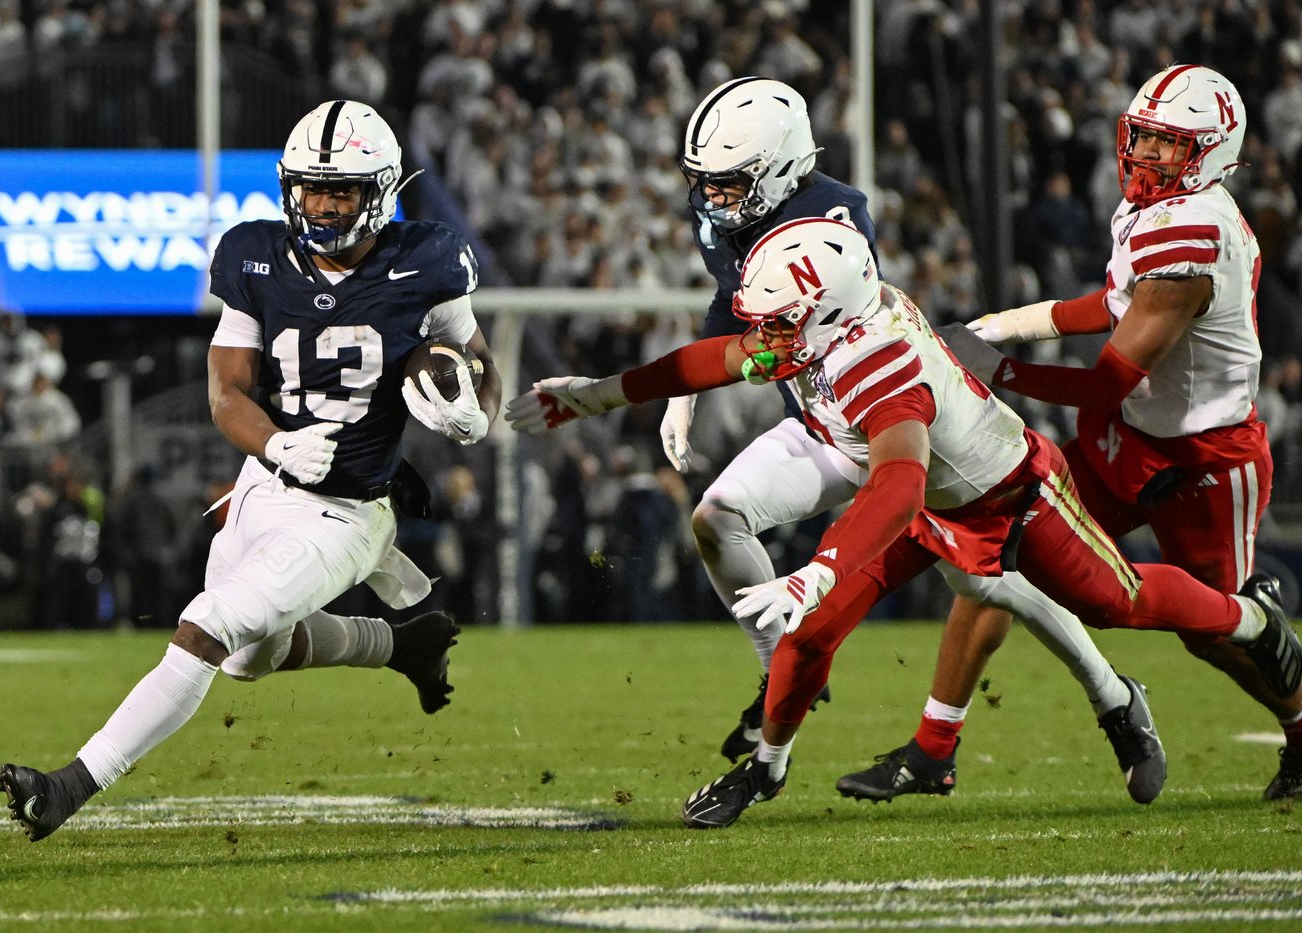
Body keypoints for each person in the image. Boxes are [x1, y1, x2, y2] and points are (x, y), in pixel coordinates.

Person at [505, 216, 1302, 829]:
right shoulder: (826, 323)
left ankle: (1249, 617)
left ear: (830, 315)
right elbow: (712, 360)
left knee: (1113, 601)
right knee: (810, 631)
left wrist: (817, 568)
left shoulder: (876, 361)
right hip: (928, 503)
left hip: (1009, 494)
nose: (767, 338)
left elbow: (895, 483)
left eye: (783, 324)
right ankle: (767, 767)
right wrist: (594, 395)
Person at [0, 100, 502, 841]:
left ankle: (69, 785)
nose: (322, 205)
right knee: (245, 660)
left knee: (206, 626)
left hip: (348, 511)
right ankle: (403, 643)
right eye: (310, 188)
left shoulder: (426, 259)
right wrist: (274, 445)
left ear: (382, 191)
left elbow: (478, 364)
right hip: (265, 483)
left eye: (342, 191)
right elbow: (226, 391)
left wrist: (477, 413)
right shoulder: (255, 255)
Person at [651, 77, 1166, 804]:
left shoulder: (832, 221)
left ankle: (1115, 696)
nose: (713, 200)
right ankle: (779, 681)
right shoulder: (731, 218)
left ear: (779, 168)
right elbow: (729, 304)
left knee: (988, 581)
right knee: (718, 517)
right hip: (824, 420)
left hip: (894, 421)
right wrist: (686, 387)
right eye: (706, 182)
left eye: (729, 184)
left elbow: (817, 335)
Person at [907, 64, 1302, 803]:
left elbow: (1105, 380)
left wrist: (1001, 371)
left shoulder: (1194, 236)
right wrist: (1003, 326)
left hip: (1206, 454)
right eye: (1143, 137)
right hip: (1133, 433)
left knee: (1214, 630)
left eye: (1167, 144)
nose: (1146, 155)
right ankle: (934, 745)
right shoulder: (1155, 214)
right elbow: (1112, 305)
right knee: (1003, 541)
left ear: (1211, 152)